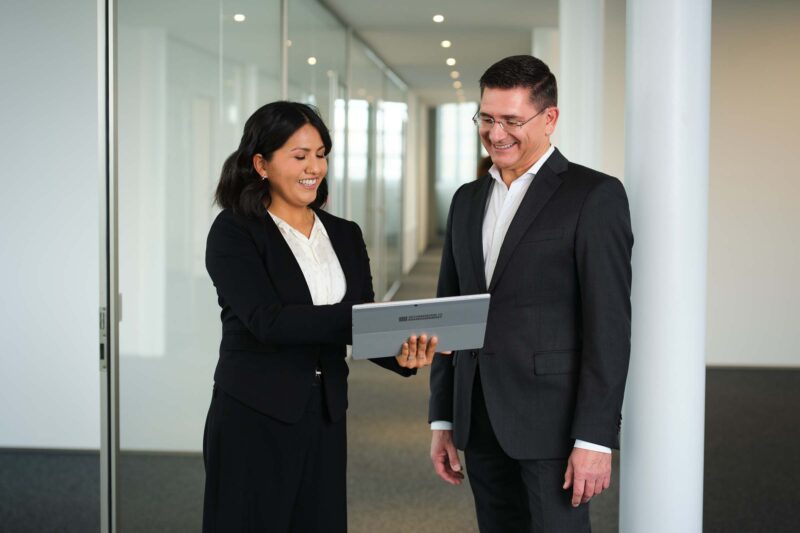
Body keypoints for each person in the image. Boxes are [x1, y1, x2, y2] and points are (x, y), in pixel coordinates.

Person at [203, 101, 438, 533]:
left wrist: (399, 354)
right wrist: (360, 320)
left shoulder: (345, 234)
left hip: (326, 414)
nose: (314, 166)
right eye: (299, 156)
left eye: (321, 154)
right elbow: (267, 321)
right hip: (255, 415)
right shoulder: (234, 232)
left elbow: (362, 322)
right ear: (261, 164)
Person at [428, 55, 633, 533]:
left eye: (512, 121)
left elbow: (609, 327)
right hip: (478, 418)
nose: (496, 133)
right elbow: (448, 313)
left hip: (554, 426)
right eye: (486, 118)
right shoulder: (466, 200)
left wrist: (594, 438)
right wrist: (443, 418)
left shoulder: (593, 195)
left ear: (549, 119)